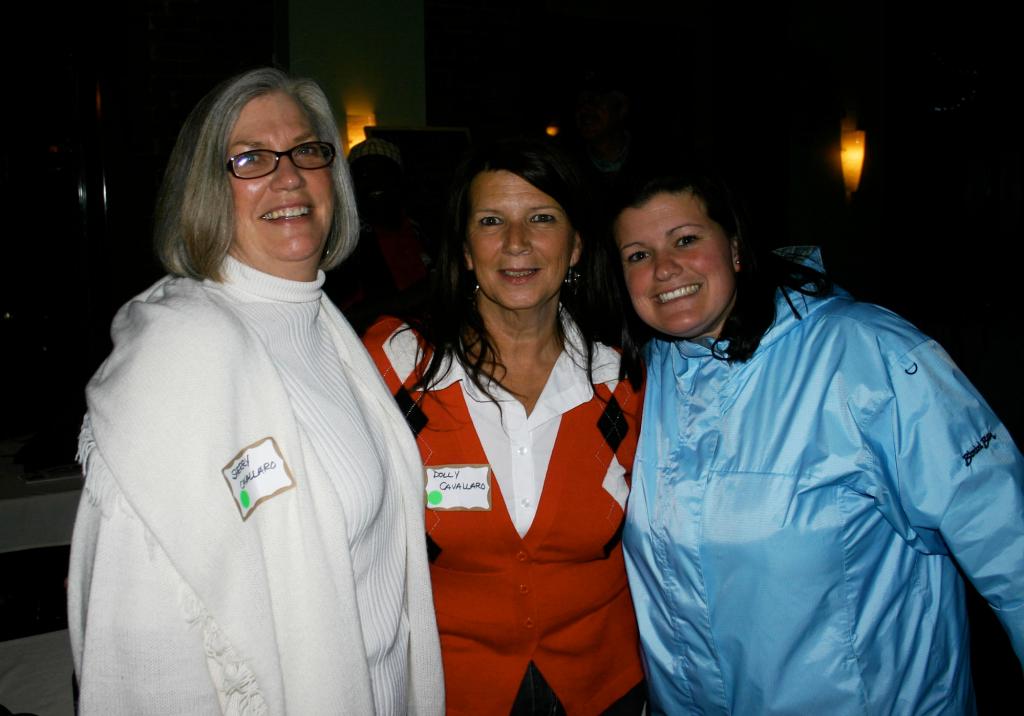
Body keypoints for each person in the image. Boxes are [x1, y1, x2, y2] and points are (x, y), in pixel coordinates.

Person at [66, 67, 443, 714]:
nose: (289, 175)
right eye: (250, 159)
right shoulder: (176, 363)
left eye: (308, 150)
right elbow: (137, 651)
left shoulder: (326, 330)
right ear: (204, 191)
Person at [610, 170, 1024, 714]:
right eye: (638, 255)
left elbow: (1007, 540)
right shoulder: (644, 379)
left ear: (735, 246)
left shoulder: (864, 351)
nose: (664, 268)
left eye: (686, 239)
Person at [363, 137, 647, 714]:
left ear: (575, 248)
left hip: (604, 687)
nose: (517, 243)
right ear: (465, 249)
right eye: (492, 221)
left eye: (541, 218)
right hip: (450, 690)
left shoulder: (624, 382)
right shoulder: (394, 368)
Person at [326, 137, 433, 334]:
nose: (375, 182)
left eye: (384, 173)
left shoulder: (423, 231)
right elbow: (346, 316)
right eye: (364, 174)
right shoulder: (345, 242)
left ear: (400, 180)